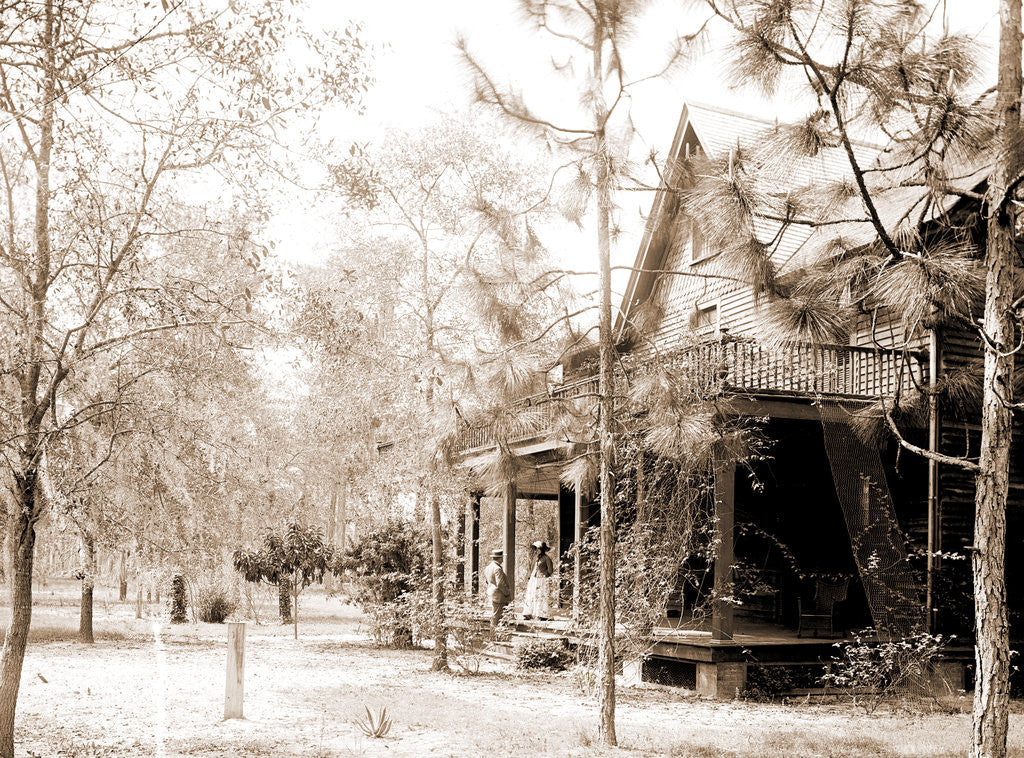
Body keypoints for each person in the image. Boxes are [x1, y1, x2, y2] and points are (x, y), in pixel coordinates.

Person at [522, 541, 554, 621]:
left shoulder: (547, 558)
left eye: (538, 549)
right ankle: (528, 613)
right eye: (536, 549)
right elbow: (532, 568)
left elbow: (550, 571)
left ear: (542, 549)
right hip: (534, 579)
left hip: (541, 580)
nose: (536, 550)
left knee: (540, 595)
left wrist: (543, 575)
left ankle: (541, 614)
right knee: (531, 595)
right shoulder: (536, 558)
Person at [482, 548, 511, 629]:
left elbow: (487, 581)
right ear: (500, 558)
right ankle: (494, 637)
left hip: (491, 593)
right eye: (502, 557)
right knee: (497, 617)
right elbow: (500, 584)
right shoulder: (497, 568)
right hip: (498, 596)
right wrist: (507, 592)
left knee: (494, 616)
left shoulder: (488, 567)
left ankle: (495, 635)